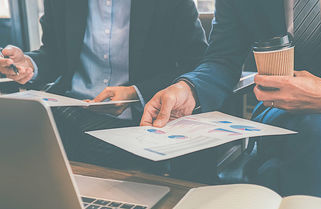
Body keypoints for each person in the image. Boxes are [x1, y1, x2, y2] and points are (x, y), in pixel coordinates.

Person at [140, 0, 321, 200]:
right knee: (313, 144)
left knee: (308, 144)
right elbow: (222, 59)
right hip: (283, 116)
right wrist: (189, 89)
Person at [0, 0, 207, 171]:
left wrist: (136, 93)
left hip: (138, 121)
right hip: (67, 111)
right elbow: (55, 54)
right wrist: (28, 63)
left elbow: (196, 62)